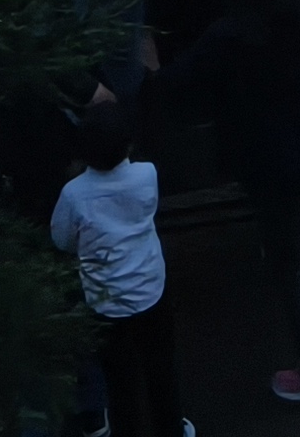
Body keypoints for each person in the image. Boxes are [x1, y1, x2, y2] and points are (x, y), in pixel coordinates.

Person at [157, 0, 300, 407]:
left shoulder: (228, 35)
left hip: (273, 166)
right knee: (294, 253)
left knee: (293, 268)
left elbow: (174, 85)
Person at [50, 95, 189, 437]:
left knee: (120, 379)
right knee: (161, 367)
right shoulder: (147, 175)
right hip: (151, 287)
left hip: (105, 301)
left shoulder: (74, 194)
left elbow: (61, 239)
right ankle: (171, 429)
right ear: (129, 142)